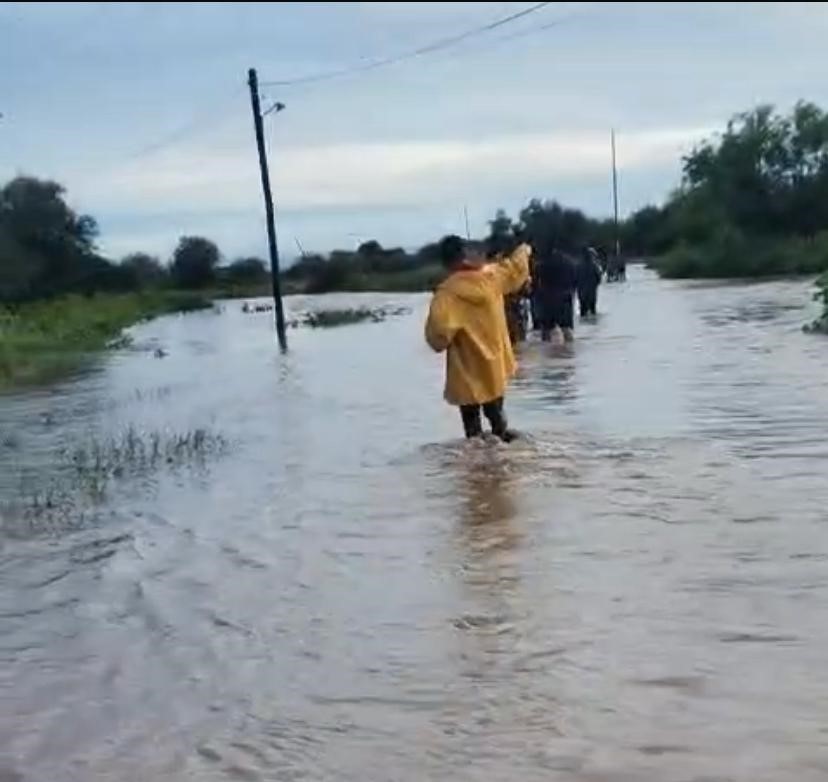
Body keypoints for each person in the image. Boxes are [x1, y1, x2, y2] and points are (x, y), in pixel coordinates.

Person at [425, 235, 532, 441]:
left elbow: (438, 336)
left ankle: (478, 467)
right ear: (465, 255)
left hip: (466, 370)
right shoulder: (491, 278)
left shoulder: (446, 294)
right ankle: (504, 456)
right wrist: (524, 249)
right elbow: (515, 270)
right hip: (494, 368)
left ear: (445, 262)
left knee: (472, 431)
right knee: (498, 419)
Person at [534, 245, 577, 342]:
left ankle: (547, 352)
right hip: (565, 298)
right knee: (566, 328)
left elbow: (536, 283)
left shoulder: (542, 264)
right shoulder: (569, 262)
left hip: (547, 298)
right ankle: (570, 350)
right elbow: (575, 281)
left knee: (546, 330)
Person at [576, 246, 602, 317]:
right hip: (591, 293)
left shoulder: (578, 266)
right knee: (593, 311)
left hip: (582, 293)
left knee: (583, 312)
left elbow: (574, 279)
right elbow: (599, 278)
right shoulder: (594, 266)